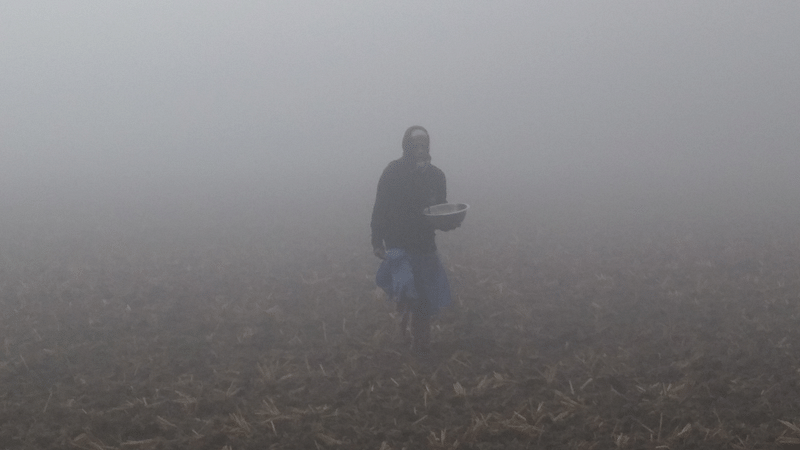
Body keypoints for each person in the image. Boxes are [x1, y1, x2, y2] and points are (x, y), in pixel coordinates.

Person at [371, 126, 457, 355]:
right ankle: (401, 328)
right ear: (406, 146)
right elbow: (380, 207)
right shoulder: (393, 172)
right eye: (415, 145)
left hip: (425, 245)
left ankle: (421, 341)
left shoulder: (436, 176)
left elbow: (441, 211)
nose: (420, 150)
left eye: (424, 145)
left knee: (425, 297)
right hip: (398, 244)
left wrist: (449, 222)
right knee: (405, 292)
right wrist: (376, 240)